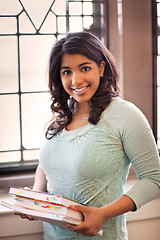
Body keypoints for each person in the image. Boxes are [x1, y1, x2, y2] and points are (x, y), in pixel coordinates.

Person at [17, 31, 160, 240]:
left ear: (101, 68)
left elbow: (154, 180)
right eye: (67, 72)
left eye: (85, 68)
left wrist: (103, 214)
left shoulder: (125, 115)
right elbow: (47, 165)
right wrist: (37, 196)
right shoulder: (64, 114)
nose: (76, 80)